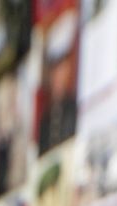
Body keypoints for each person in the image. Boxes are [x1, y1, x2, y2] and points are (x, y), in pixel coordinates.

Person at [38, 11, 78, 154]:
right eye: (53, 69)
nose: (57, 76)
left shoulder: (74, 107)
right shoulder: (45, 119)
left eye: (61, 68)